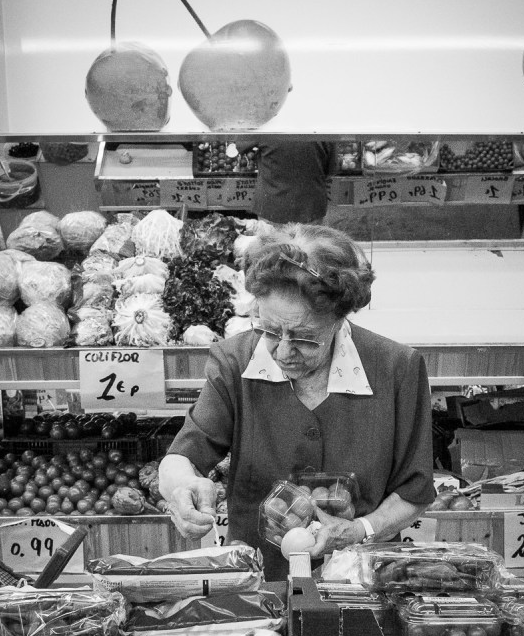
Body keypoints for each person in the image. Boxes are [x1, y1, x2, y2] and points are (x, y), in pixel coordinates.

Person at [159, 224, 435, 581]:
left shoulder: (396, 367)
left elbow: (415, 491)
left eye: (305, 338)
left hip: (364, 578)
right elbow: (182, 457)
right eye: (269, 331)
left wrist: (362, 529)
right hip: (256, 579)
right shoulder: (234, 362)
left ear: (339, 318)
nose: (284, 352)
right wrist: (182, 489)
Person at [240, 139, 337, 224]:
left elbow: (240, 145)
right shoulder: (322, 130)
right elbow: (331, 170)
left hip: (271, 209)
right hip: (311, 210)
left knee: (273, 244)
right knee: (308, 244)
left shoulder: (268, 128)